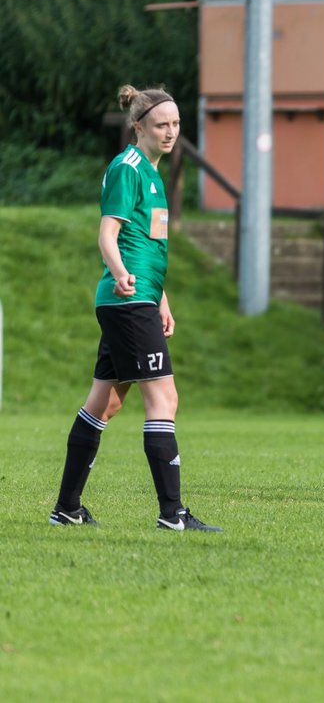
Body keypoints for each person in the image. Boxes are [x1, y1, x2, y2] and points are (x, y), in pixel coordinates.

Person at [48, 85, 221, 532]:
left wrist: (161, 297)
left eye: (176, 124)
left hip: (138, 299)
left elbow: (150, 244)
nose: (171, 132)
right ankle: (173, 514)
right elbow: (108, 234)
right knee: (164, 399)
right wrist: (123, 274)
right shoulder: (128, 168)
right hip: (127, 301)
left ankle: (66, 508)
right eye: (162, 125)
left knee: (103, 404)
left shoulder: (154, 174)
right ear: (138, 126)